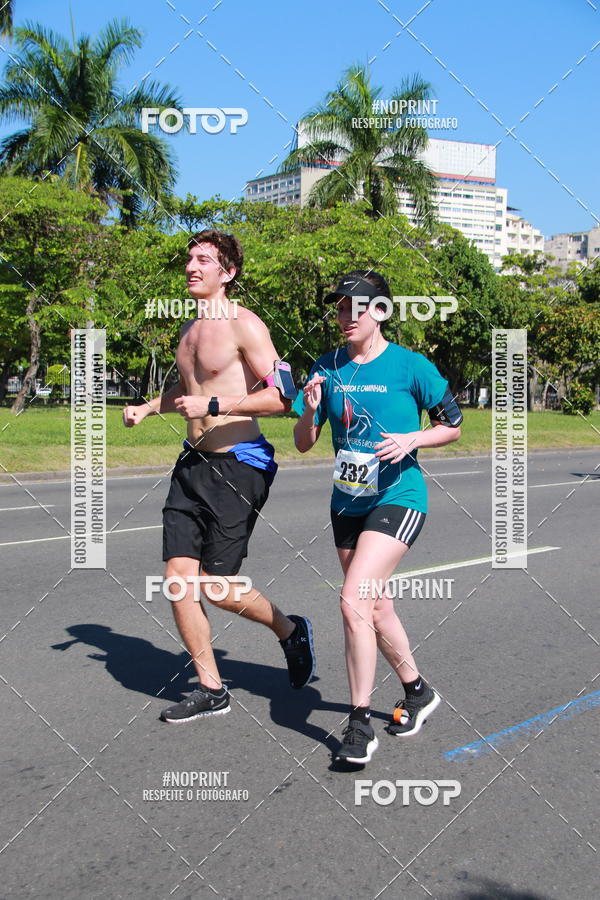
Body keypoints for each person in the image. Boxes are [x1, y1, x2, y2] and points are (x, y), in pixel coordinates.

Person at [123, 229, 315, 722]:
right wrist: (148, 407)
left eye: (204, 260)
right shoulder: (189, 330)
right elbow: (187, 389)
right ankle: (211, 687)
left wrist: (213, 403)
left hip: (239, 464)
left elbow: (283, 396)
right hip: (192, 464)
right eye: (190, 258)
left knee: (216, 585)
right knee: (177, 580)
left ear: (227, 273)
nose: (192, 266)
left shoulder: (245, 326)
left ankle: (290, 630)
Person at [293, 271, 462, 764]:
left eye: (355, 307)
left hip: (400, 496)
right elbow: (304, 442)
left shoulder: (411, 367)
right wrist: (308, 412)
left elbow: (451, 425)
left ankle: (359, 723)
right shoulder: (328, 367)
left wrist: (413, 440)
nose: (345, 317)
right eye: (340, 308)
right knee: (376, 606)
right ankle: (417, 691)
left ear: (381, 311)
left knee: (353, 600)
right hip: (347, 500)